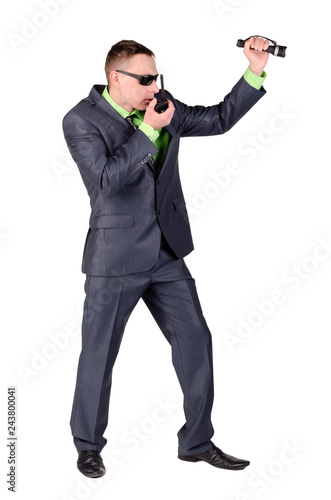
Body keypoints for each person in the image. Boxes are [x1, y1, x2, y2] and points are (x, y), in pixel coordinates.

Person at [62, 37, 269, 478]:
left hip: (165, 252)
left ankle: (196, 441)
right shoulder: (80, 120)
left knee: (196, 340)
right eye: (145, 78)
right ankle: (87, 446)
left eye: (157, 76)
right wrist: (150, 131)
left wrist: (254, 70)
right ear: (115, 78)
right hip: (114, 258)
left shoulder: (162, 104)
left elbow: (218, 119)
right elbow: (105, 181)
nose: (155, 85)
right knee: (99, 355)